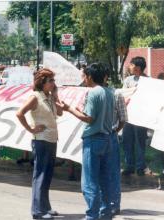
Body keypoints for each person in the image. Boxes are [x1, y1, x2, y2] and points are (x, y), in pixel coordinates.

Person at [59, 63, 115, 220]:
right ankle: (105, 213)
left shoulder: (93, 93)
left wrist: (69, 109)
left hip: (93, 139)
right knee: (104, 180)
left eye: (84, 76)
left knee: (89, 182)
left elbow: (89, 118)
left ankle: (92, 215)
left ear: (90, 76)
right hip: (107, 138)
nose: (83, 79)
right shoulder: (109, 92)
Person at [16, 68, 62, 220]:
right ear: (42, 82)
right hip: (41, 140)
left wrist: (55, 96)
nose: (53, 83)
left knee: (47, 175)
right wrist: (30, 128)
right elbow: (20, 113)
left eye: (53, 81)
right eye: (51, 81)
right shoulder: (35, 97)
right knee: (40, 175)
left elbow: (60, 113)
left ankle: (45, 207)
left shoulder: (48, 97)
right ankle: (37, 211)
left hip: (51, 139)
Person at [102, 64, 127, 216]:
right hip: (98, 137)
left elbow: (123, 118)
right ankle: (103, 203)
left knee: (112, 172)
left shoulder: (116, 94)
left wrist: (115, 131)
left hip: (111, 136)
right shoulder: (91, 93)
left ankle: (114, 204)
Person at [122, 56, 148, 176]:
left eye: (131, 65)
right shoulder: (128, 80)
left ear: (138, 67)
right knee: (127, 140)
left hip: (141, 116)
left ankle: (140, 166)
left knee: (140, 141)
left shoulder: (148, 81)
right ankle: (129, 165)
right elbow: (124, 94)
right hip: (129, 115)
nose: (130, 67)